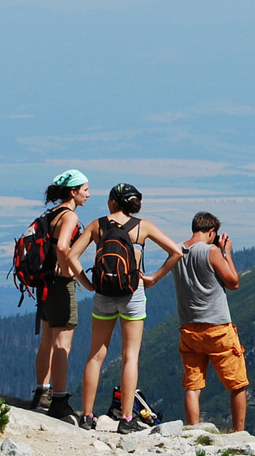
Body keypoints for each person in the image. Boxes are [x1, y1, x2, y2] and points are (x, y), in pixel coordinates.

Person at [68, 182, 183, 434]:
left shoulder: (98, 225)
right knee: (130, 355)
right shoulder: (143, 226)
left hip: (103, 294)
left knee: (96, 354)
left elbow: (70, 255)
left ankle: (87, 416)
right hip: (133, 293)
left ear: (112, 201)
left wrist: (87, 284)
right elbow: (176, 252)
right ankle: (127, 418)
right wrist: (154, 277)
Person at [169, 211, 248, 432]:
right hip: (217, 328)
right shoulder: (211, 251)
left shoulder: (177, 250)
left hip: (189, 328)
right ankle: (239, 432)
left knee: (193, 386)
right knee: (237, 383)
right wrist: (227, 253)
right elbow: (233, 282)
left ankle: (193, 431)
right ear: (211, 232)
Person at [31, 169, 93, 420]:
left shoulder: (51, 214)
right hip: (60, 284)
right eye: (85, 189)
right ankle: (59, 399)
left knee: (47, 339)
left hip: (44, 284)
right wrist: (81, 277)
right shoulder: (68, 217)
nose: (88, 194)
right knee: (62, 344)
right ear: (73, 191)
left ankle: (41, 392)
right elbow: (63, 246)